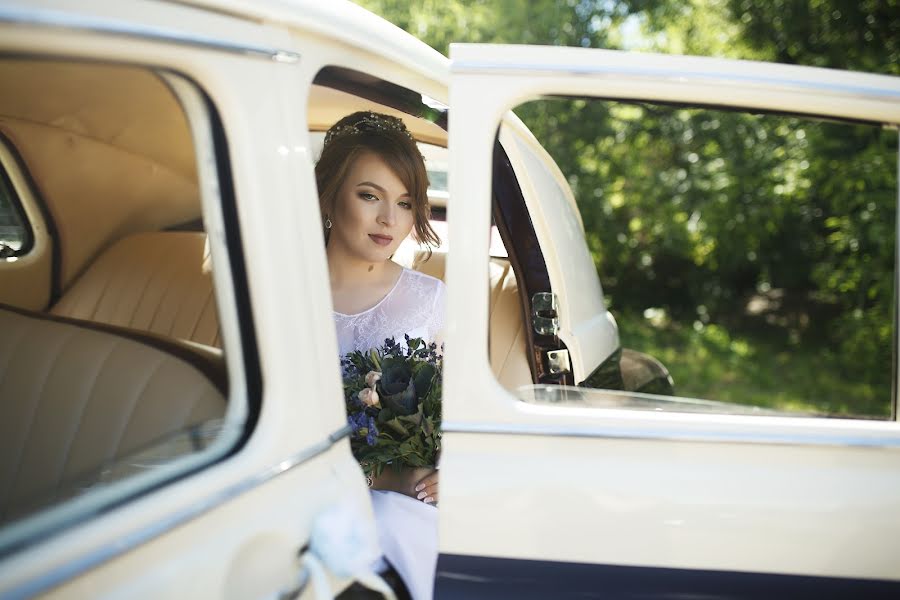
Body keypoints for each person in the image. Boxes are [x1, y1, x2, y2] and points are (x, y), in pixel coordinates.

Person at [317, 111, 445, 600]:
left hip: (398, 503)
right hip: (288, 492)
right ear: (330, 193)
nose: (390, 220)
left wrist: (447, 469)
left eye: (405, 203)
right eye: (370, 196)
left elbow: (463, 414)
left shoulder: (431, 300)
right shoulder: (277, 292)